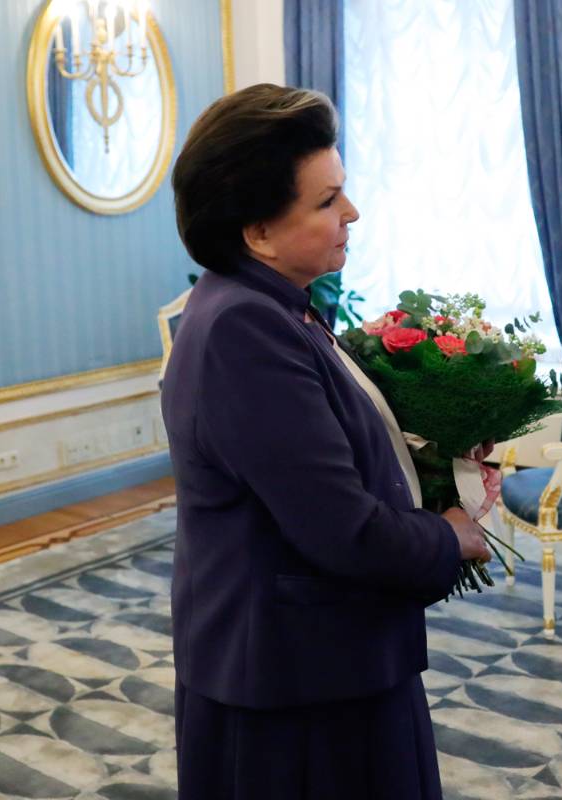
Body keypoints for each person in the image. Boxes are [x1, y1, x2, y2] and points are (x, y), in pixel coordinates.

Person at [161, 84, 490, 799]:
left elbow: (313, 460)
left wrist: (431, 463)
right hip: (296, 691)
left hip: (317, 663)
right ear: (259, 232)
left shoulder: (273, 306)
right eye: (327, 200)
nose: (352, 213)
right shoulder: (245, 328)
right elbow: (342, 529)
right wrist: (450, 537)